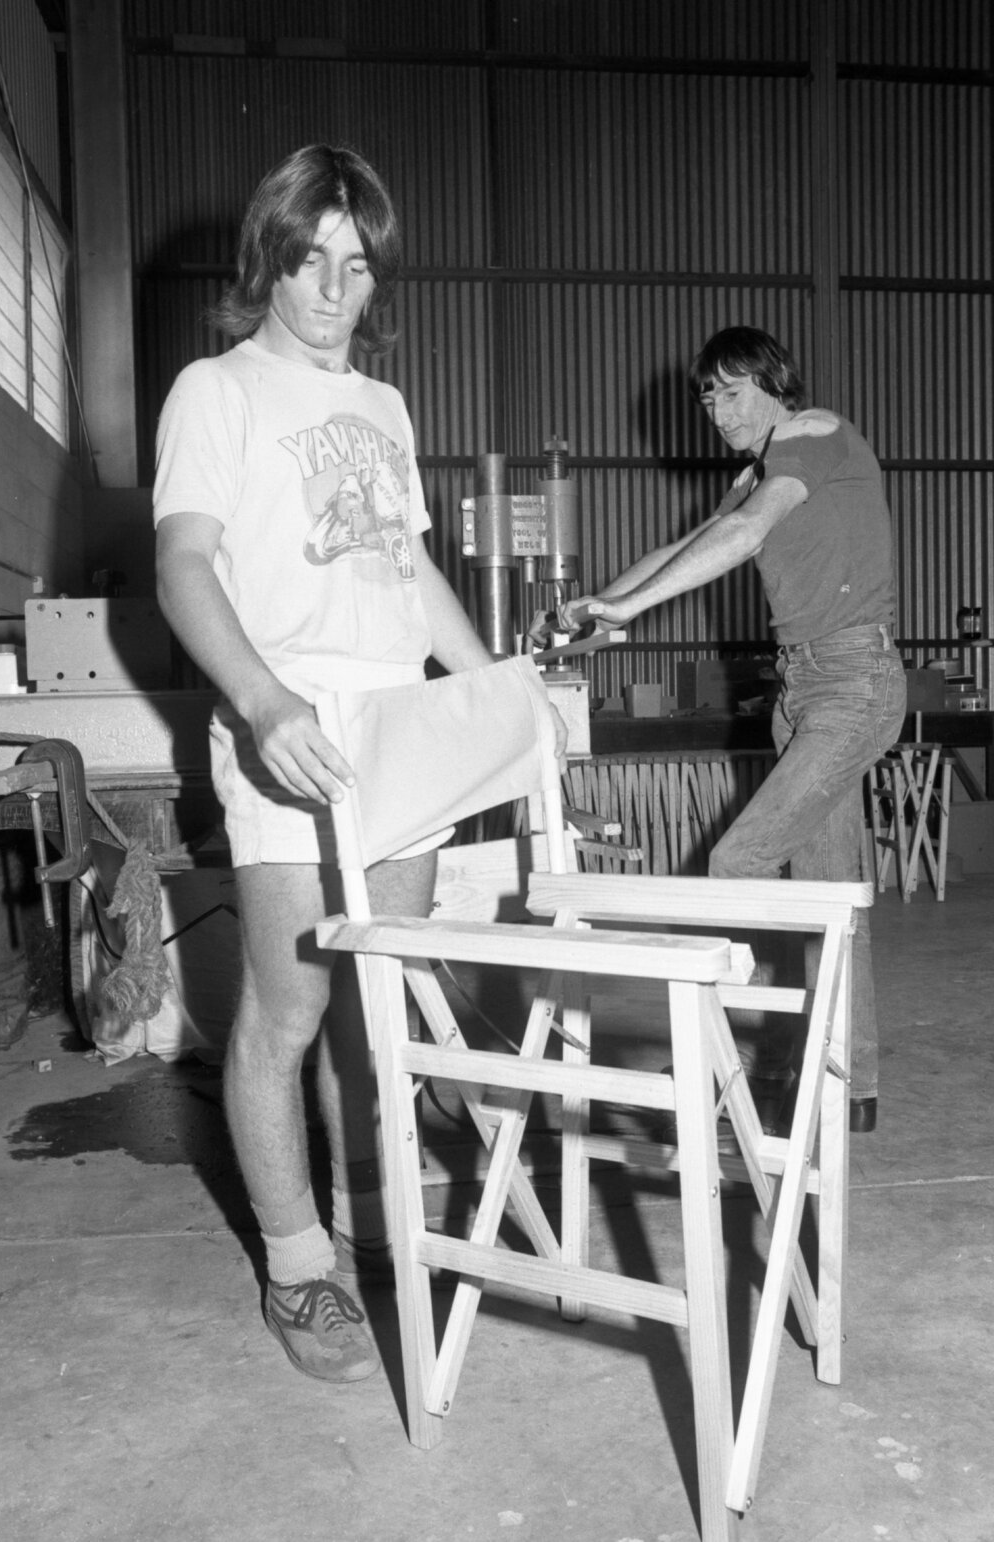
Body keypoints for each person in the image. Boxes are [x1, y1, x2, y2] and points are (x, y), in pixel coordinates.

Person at [153, 144, 564, 1386]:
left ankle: (376, 1226)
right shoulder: (214, 391)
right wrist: (263, 702)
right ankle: (295, 1264)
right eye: (309, 259)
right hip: (292, 721)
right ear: (267, 259)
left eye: (357, 264)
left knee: (381, 1002)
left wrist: (501, 690)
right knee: (290, 1011)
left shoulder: (383, 410)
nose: (333, 288)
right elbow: (183, 566)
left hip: (397, 731)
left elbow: (408, 569)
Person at [549, 325, 906, 1135]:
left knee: (738, 857)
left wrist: (630, 610)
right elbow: (694, 542)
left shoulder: (815, 434)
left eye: (733, 389)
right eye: (707, 395)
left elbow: (745, 536)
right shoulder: (755, 473)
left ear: (777, 384)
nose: (717, 409)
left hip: (855, 684)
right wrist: (599, 612)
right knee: (827, 898)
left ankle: (730, 1062)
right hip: (801, 690)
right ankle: (848, 1081)